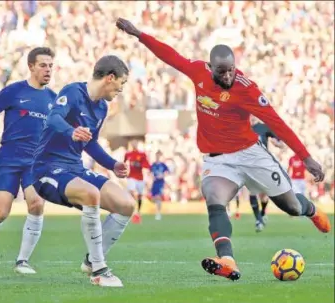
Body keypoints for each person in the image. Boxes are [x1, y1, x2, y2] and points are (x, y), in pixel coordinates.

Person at [116, 17, 331, 281]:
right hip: (218, 161)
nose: (227, 76)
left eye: (231, 70)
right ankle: (227, 260)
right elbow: (170, 56)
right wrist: (139, 34)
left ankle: (310, 210)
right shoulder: (197, 73)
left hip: (251, 155)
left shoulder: (247, 90)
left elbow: (278, 123)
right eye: (221, 72)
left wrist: (306, 157)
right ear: (210, 67)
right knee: (214, 199)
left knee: (291, 207)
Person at [32, 55, 134, 287]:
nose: (121, 88)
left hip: (74, 168)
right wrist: (71, 131)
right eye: (122, 82)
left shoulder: (102, 107)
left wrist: (112, 164)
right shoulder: (73, 92)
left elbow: (90, 143)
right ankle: (99, 269)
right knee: (91, 194)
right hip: (47, 167)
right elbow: (53, 118)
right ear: (110, 78)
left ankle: (90, 261)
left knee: (126, 204)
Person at [0, 47, 56, 274]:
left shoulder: (54, 99)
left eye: (50, 65)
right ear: (31, 67)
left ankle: (22, 261)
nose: (48, 69)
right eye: (43, 65)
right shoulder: (13, 92)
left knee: (37, 204)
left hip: (36, 161)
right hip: (9, 157)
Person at [250, 118, 285, 231]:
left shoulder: (263, 127)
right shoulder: (241, 127)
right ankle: (258, 220)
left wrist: (278, 144)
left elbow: (281, 143)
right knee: (252, 191)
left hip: (263, 163)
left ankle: (263, 212)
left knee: (264, 195)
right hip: (249, 164)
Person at [124, 139, 150, 223]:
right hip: (131, 176)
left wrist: (139, 164)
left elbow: (147, 165)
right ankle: (133, 210)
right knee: (131, 191)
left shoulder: (142, 154)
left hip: (140, 178)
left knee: (139, 195)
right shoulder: (128, 154)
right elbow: (124, 163)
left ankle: (138, 211)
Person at [150, 151, 169, 220]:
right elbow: (150, 173)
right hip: (154, 183)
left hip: (160, 183)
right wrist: (151, 177)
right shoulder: (153, 165)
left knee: (158, 197)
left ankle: (158, 213)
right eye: (156, 155)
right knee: (153, 198)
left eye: (159, 155)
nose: (157, 157)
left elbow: (167, 172)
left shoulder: (163, 165)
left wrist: (162, 175)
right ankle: (157, 210)